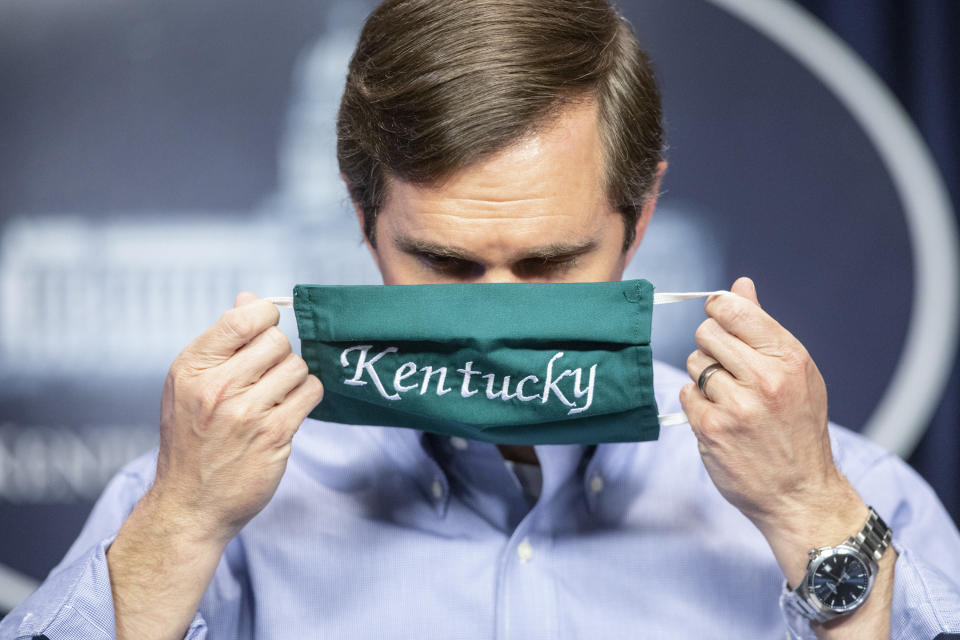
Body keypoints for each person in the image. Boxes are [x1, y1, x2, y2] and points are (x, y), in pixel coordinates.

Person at [3, 0, 959, 638]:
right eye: (444, 262)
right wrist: (180, 522)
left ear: (642, 218)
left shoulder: (851, 493)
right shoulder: (200, 493)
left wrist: (808, 514)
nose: (498, 310)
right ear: (362, 213)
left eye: (552, 262)